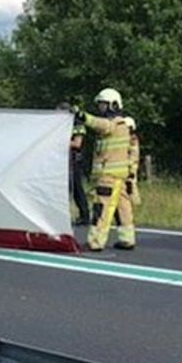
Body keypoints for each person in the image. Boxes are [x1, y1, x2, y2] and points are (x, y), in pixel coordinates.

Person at [75, 88, 140, 251]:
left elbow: (100, 124)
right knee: (123, 208)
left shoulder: (115, 123)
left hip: (108, 177)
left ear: (113, 104)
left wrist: (82, 116)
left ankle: (95, 241)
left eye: (103, 105)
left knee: (101, 209)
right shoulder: (122, 125)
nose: (101, 108)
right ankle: (127, 238)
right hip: (119, 176)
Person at [57, 101, 90, 226]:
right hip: (65, 160)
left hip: (75, 160)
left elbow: (77, 143)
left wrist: (61, 141)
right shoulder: (61, 126)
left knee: (77, 189)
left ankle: (85, 215)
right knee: (64, 189)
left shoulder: (77, 124)